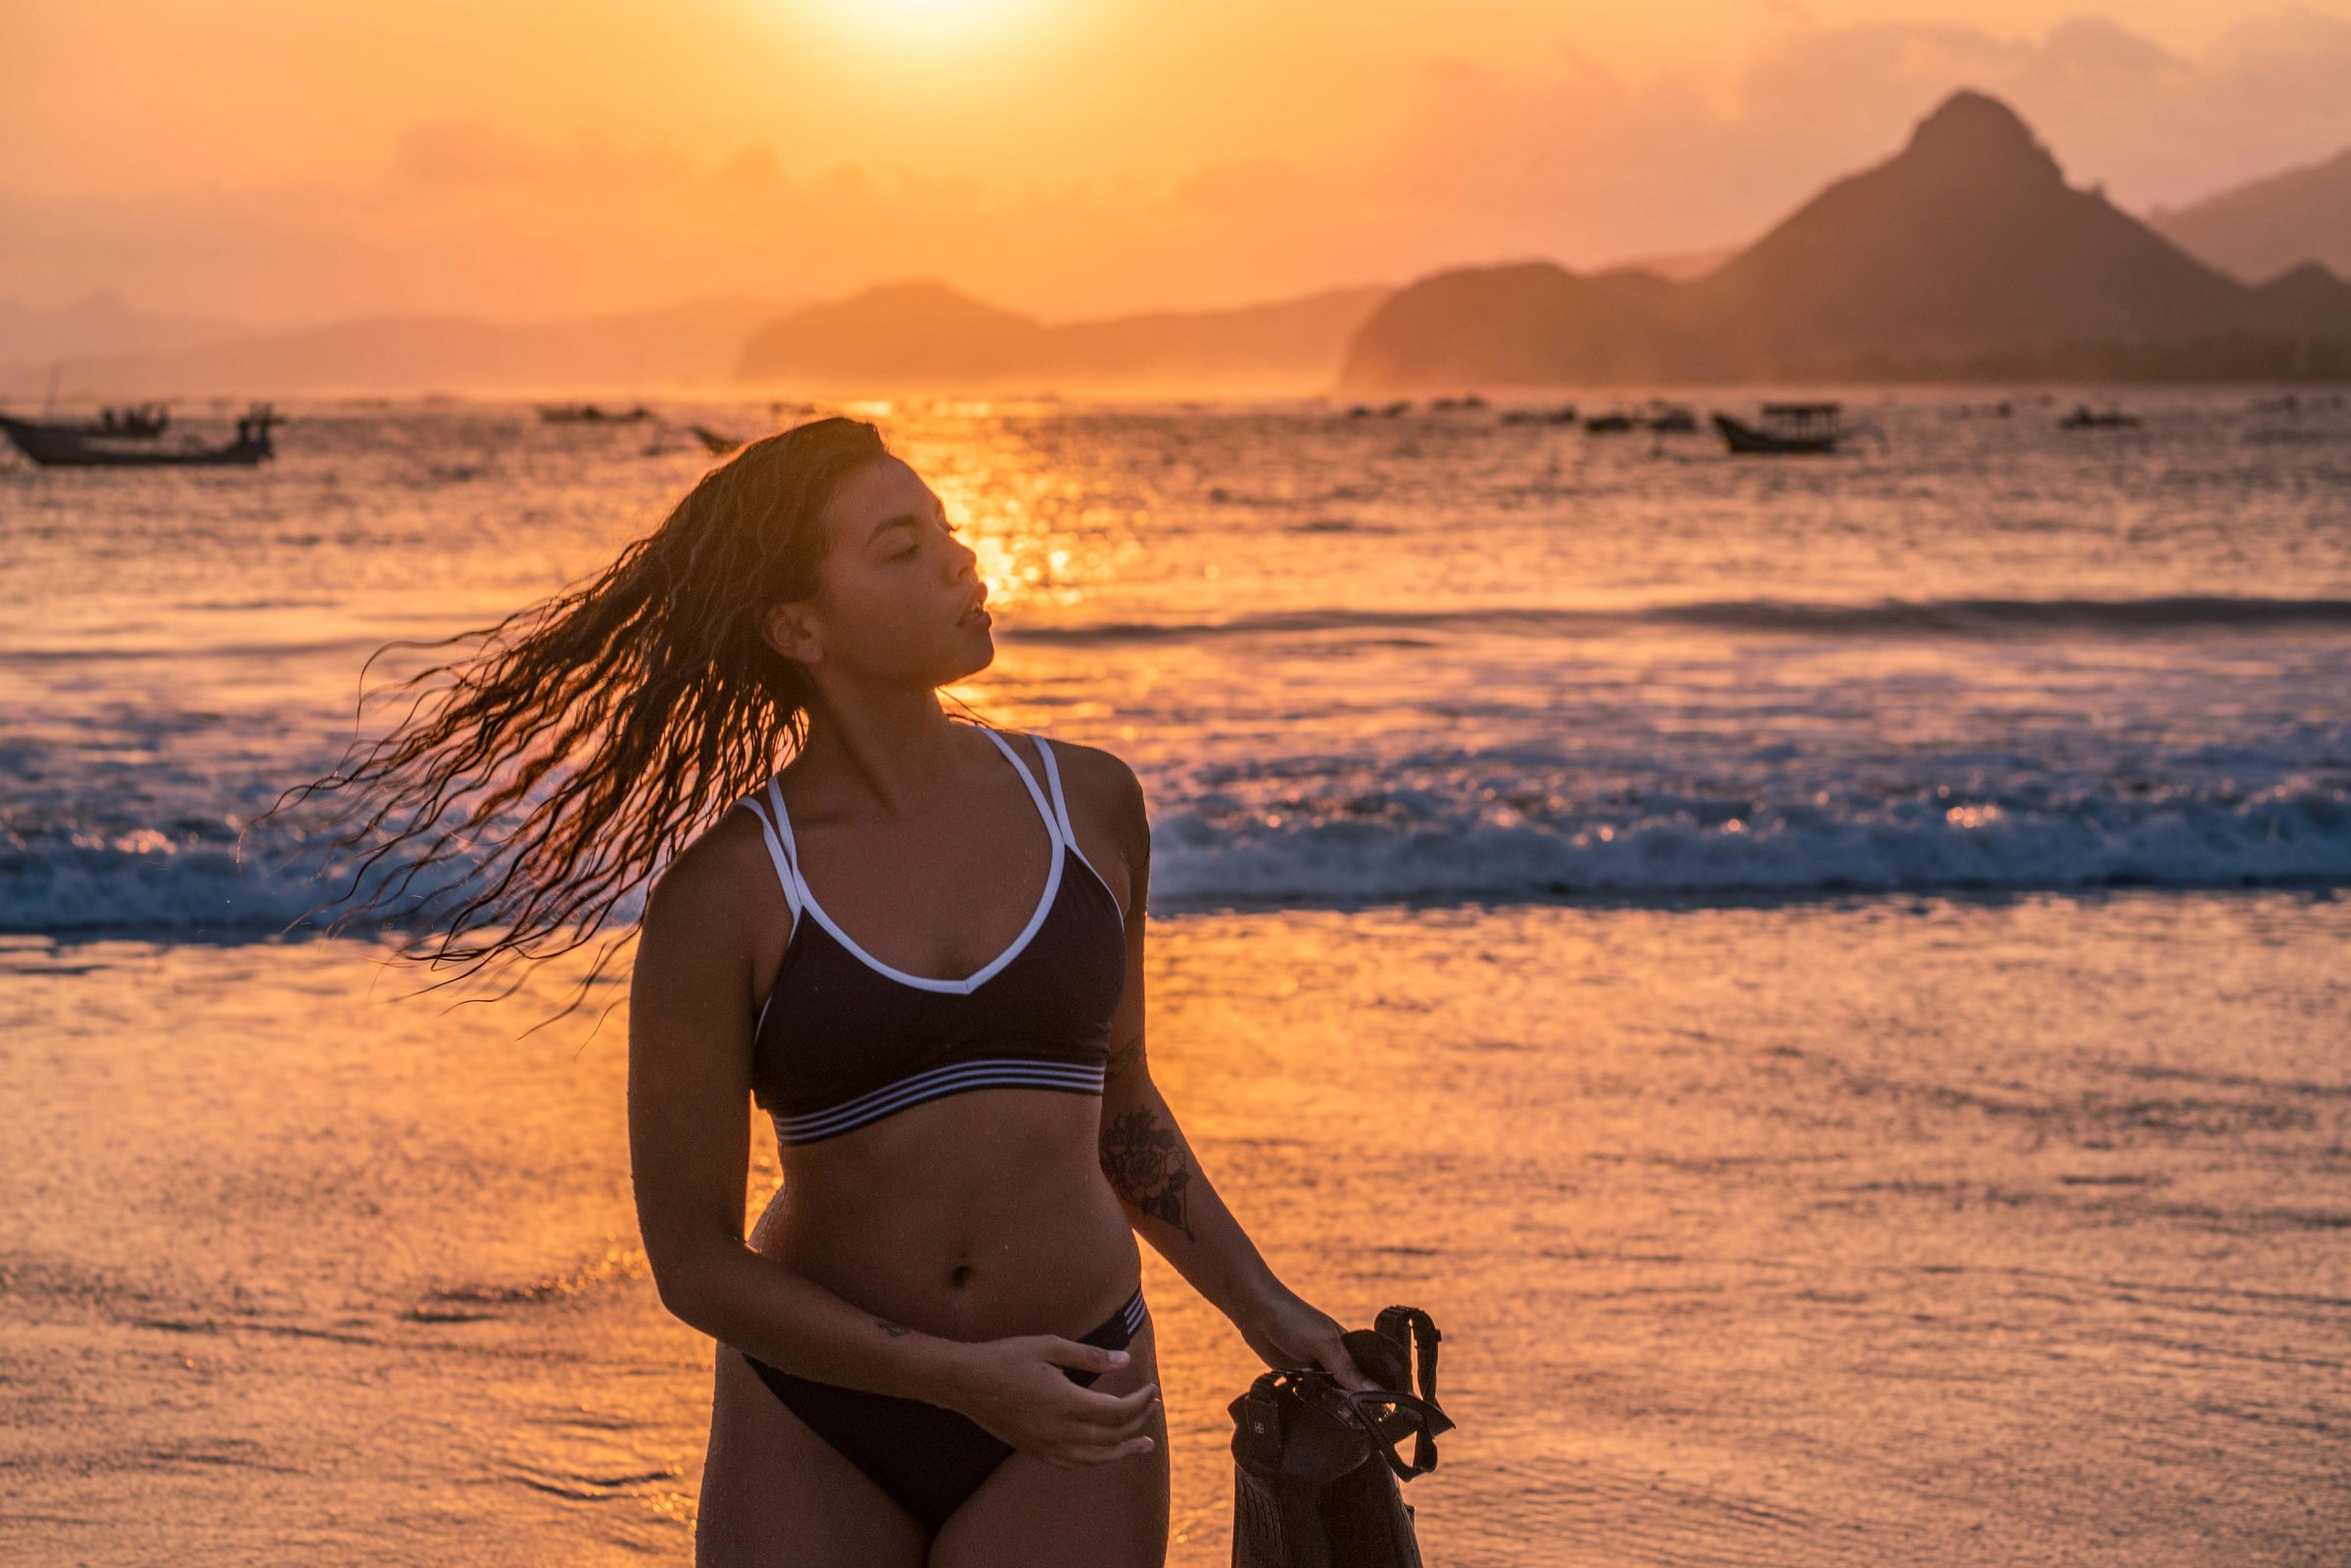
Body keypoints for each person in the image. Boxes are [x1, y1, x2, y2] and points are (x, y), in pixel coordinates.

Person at [293, 416, 1372, 1566]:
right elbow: (694, 1260)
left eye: (949, 530)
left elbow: (1123, 1107)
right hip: (816, 1412)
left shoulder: (1093, 807)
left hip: (1073, 1389)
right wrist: (953, 1375)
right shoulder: (725, 896)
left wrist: (1264, 1305)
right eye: (902, 548)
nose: (959, 559)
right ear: (799, 625)